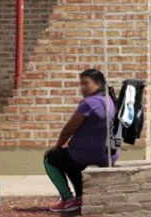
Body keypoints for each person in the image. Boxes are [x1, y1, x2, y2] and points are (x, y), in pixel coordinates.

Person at [44, 69, 119, 213]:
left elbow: (68, 130)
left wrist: (57, 146)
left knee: (52, 158)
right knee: (68, 157)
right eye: (81, 84)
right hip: (110, 153)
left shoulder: (89, 103)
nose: (82, 87)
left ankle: (69, 199)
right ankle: (79, 196)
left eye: (86, 83)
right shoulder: (109, 99)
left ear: (98, 84)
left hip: (90, 154)